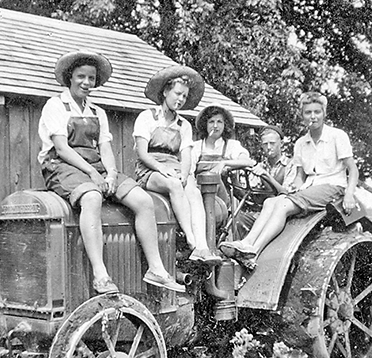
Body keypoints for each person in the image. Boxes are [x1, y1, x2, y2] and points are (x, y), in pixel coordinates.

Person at [38, 50, 185, 295]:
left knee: (143, 200)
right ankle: (101, 274)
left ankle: (156, 269)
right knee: (92, 197)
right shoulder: (56, 105)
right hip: (61, 166)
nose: (86, 83)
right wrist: (94, 175)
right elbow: (62, 148)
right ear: (69, 77)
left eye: (91, 78)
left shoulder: (98, 112)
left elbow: (105, 148)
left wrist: (111, 173)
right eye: (81, 76)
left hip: (94, 165)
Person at [220, 92, 359, 265]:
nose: (313, 117)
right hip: (310, 189)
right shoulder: (301, 143)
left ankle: (254, 250)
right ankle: (247, 243)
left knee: (283, 205)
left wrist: (349, 194)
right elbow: (301, 176)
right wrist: (295, 187)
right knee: (271, 202)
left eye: (317, 112)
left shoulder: (337, 136)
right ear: (302, 115)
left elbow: (352, 169)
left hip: (333, 187)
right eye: (308, 113)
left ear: (324, 113)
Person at [133, 65, 221, 264]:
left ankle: (202, 246)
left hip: (174, 168)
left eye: (184, 96)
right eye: (178, 94)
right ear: (165, 91)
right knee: (173, 184)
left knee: (193, 190)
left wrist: (184, 174)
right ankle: (191, 240)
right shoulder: (147, 117)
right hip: (150, 169)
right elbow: (142, 153)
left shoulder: (184, 125)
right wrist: (161, 168)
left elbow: (186, 155)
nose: (180, 99)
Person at [191, 104, 256, 202]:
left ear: (225, 125)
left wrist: (224, 163)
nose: (215, 126)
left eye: (219, 122)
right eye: (211, 122)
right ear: (205, 124)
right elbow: (189, 173)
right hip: (199, 195)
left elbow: (248, 162)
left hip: (223, 198)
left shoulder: (231, 145)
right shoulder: (196, 147)